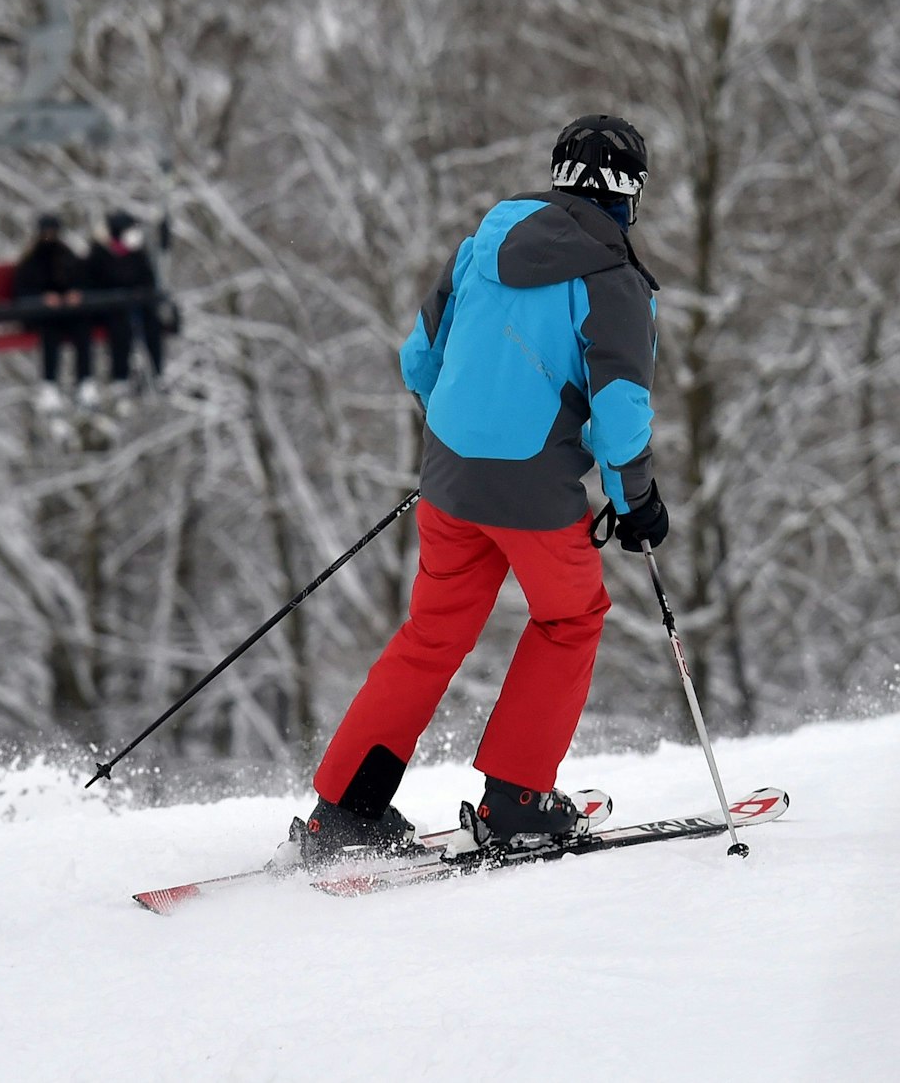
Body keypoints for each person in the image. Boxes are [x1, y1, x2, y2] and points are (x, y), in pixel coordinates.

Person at [277, 114, 667, 867]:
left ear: (558, 174)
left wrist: (469, 442)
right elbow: (620, 410)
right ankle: (518, 798)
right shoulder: (615, 279)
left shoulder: (482, 243)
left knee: (432, 633)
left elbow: (419, 360)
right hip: (536, 491)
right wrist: (635, 499)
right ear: (629, 194)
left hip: (450, 477)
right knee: (571, 615)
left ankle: (344, 811)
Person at [12, 213, 95, 418]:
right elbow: (21, 290)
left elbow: (82, 280)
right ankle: (49, 384)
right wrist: (42, 299)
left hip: (67, 312)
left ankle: (85, 381)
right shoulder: (31, 260)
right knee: (50, 332)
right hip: (42, 315)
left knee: (82, 328)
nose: (49, 237)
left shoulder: (66, 255)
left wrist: (76, 293)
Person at [85, 209, 164, 405]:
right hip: (111, 308)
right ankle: (120, 376)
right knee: (121, 329)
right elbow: (94, 283)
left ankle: (156, 372)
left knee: (152, 324)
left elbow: (148, 280)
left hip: (136, 305)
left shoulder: (137, 254)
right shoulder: (100, 254)